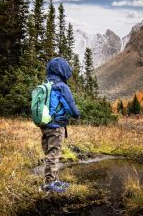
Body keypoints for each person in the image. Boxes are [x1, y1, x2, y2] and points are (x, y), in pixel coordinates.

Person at [41, 57, 80, 192]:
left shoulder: (46, 84)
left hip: (45, 125)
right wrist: (76, 114)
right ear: (63, 71)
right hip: (56, 126)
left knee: (50, 152)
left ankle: (55, 180)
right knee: (54, 153)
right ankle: (49, 184)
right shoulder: (61, 86)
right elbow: (72, 108)